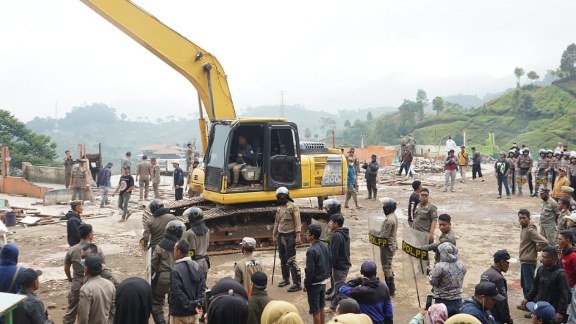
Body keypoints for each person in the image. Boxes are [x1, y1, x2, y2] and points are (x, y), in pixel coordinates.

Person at [63, 224, 104, 324]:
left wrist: (70, 278)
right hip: (94, 285)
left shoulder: (72, 250)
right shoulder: (97, 249)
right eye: (92, 233)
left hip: (77, 284)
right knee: (94, 312)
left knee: (71, 311)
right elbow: (102, 267)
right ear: (89, 235)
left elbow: (66, 268)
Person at [521, 246, 571, 323]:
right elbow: (535, 286)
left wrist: (560, 312)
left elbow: (565, 295)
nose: (541, 260)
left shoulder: (561, 275)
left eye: (544, 257)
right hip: (540, 307)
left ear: (554, 258)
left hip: (552, 311)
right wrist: (528, 298)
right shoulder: (541, 269)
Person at [151, 220, 186, 324]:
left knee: (156, 302)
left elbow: (153, 264)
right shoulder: (182, 246)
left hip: (163, 277)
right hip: (179, 276)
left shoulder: (160, 246)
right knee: (176, 301)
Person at [272, 187, 302, 292]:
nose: (281, 198)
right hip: (281, 235)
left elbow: (298, 222)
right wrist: (274, 235)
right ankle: (286, 279)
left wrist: (298, 235)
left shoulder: (293, 207)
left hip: (290, 236)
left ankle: (297, 283)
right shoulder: (279, 208)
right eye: (279, 196)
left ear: (287, 195)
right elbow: (276, 222)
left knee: (291, 260)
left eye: (283, 196)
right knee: (282, 259)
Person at [168, 240, 205, 324]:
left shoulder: (176, 270)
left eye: (174, 249)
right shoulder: (197, 267)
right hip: (194, 313)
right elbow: (202, 289)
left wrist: (190, 305)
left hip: (179, 314)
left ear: (178, 252)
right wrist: (197, 303)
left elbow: (178, 293)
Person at [518, 208, 549, 299]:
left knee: (529, 285)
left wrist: (536, 249)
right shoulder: (524, 228)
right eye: (520, 218)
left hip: (528, 260)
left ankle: (531, 305)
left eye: (524, 218)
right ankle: (526, 302)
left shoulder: (530, 230)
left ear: (528, 218)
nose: (522, 220)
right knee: (524, 284)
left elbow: (544, 242)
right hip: (524, 260)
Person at [428, 242, 466, 317]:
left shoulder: (440, 266)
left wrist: (431, 272)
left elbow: (433, 282)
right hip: (457, 300)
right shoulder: (462, 264)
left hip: (442, 300)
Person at [303, 224, 330, 324]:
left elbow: (310, 271)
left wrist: (306, 284)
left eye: (307, 233)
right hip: (323, 281)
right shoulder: (324, 246)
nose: (306, 235)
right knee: (322, 306)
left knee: (315, 310)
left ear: (312, 236)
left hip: (314, 284)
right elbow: (328, 262)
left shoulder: (311, 251)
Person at [77, 254, 116, 324]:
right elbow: (113, 309)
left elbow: (83, 316)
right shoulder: (110, 284)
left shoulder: (86, 289)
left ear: (86, 269)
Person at [480, 250, 513, 324]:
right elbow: (502, 302)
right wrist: (507, 319)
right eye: (507, 262)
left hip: (485, 313)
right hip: (496, 317)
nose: (508, 265)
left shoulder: (485, 274)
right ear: (501, 262)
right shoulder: (499, 278)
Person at [327, 212, 351, 311]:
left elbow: (334, 254)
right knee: (338, 286)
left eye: (331, 222)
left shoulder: (336, 235)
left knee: (339, 288)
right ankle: (336, 305)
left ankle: (335, 307)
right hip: (344, 264)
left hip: (339, 266)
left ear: (336, 224)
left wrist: (329, 266)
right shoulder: (344, 233)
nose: (329, 223)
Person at [376, 197, 398, 297]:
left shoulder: (389, 220)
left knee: (386, 267)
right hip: (391, 244)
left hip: (387, 246)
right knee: (388, 266)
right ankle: (391, 287)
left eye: (385, 206)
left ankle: (391, 289)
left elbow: (384, 236)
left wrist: (375, 234)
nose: (383, 208)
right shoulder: (393, 216)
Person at [182, 207, 210, 282]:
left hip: (196, 263)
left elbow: (192, 251)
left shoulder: (190, 233)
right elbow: (207, 245)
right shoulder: (207, 230)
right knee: (202, 286)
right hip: (205, 262)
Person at [557, 230, 576, 320]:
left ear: (568, 240)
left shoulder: (573, 255)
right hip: (565, 287)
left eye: (560, 239)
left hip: (572, 289)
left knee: (573, 312)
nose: (558, 241)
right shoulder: (563, 252)